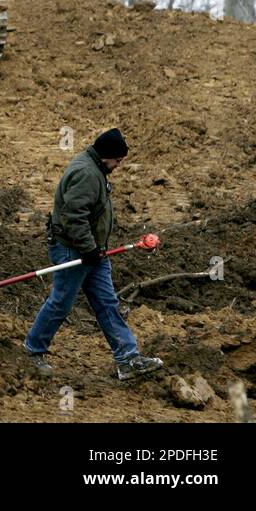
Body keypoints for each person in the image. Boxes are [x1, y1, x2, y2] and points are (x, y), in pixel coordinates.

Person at [24, 128, 165, 380]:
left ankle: (127, 358)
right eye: (118, 161)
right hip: (73, 249)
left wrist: (94, 249)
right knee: (61, 302)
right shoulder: (87, 174)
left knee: (107, 303)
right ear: (106, 156)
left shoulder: (95, 167)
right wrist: (89, 249)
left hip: (92, 251)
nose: (119, 166)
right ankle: (32, 351)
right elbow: (72, 216)